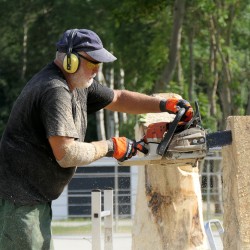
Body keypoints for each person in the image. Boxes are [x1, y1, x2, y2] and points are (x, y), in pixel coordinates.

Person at [0, 28, 193, 250]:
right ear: (70, 61)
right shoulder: (55, 90)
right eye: (93, 64)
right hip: (18, 201)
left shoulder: (77, 84)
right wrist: (111, 146)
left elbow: (119, 98)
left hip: (31, 198)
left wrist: (164, 105)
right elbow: (66, 154)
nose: (97, 70)